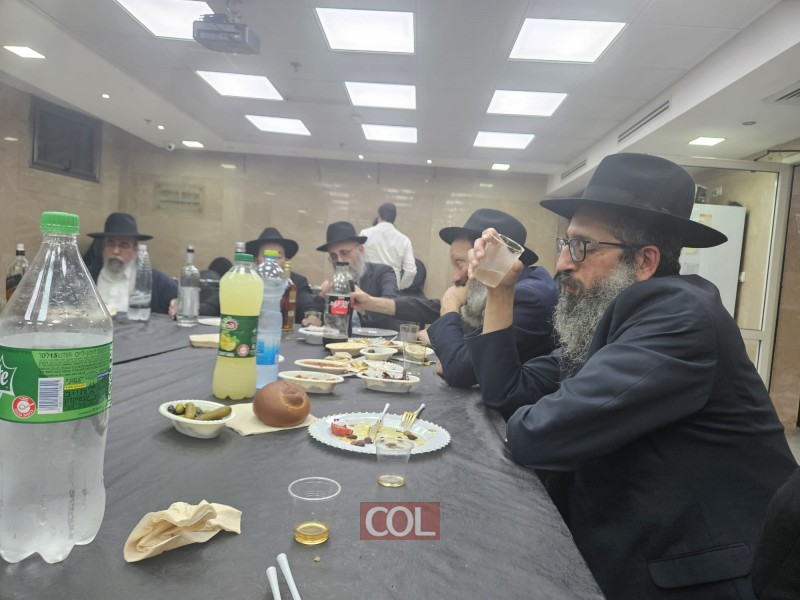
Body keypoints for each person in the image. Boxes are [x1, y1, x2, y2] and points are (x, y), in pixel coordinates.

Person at [466, 153, 797, 599]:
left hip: (699, 577)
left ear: (644, 261)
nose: (563, 263)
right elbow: (508, 391)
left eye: (582, 246)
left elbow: (536, 433)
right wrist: (499, 290)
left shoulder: (680, 318)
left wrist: (536, 413)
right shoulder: (619, 316)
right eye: (565, 243)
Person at [87, 212, 177, 314]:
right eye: (111, 243)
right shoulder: (88, 276)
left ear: (135, 248)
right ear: (104, 246)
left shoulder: (155, 280)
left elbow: (181, 300)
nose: (116, 251)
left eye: (124, 245)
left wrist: (177, 304)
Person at [317, 221, 399, 331]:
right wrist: (318, 307)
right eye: (333, 256)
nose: (339, 261)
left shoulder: (383, 272)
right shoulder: (334, 284)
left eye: (344, 253)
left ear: (360, 250)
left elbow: (392, 306)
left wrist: (365, 304)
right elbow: (314, 309)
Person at [245, 227, 320, 323]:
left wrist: (311, 316)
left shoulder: (296, 281)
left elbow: (307, 305)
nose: (272, 261)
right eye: (267, 256)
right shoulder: (248, 280)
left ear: (285, 261)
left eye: (278, 256)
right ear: (256, 260)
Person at [359, 202, 417, 290]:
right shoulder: (404, 240)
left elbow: (356, 260)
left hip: (367, 285)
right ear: (394, 218)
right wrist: (399, 285)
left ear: (378, 215)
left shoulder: (364, 234)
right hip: (391, 287)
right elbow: (411, 271)